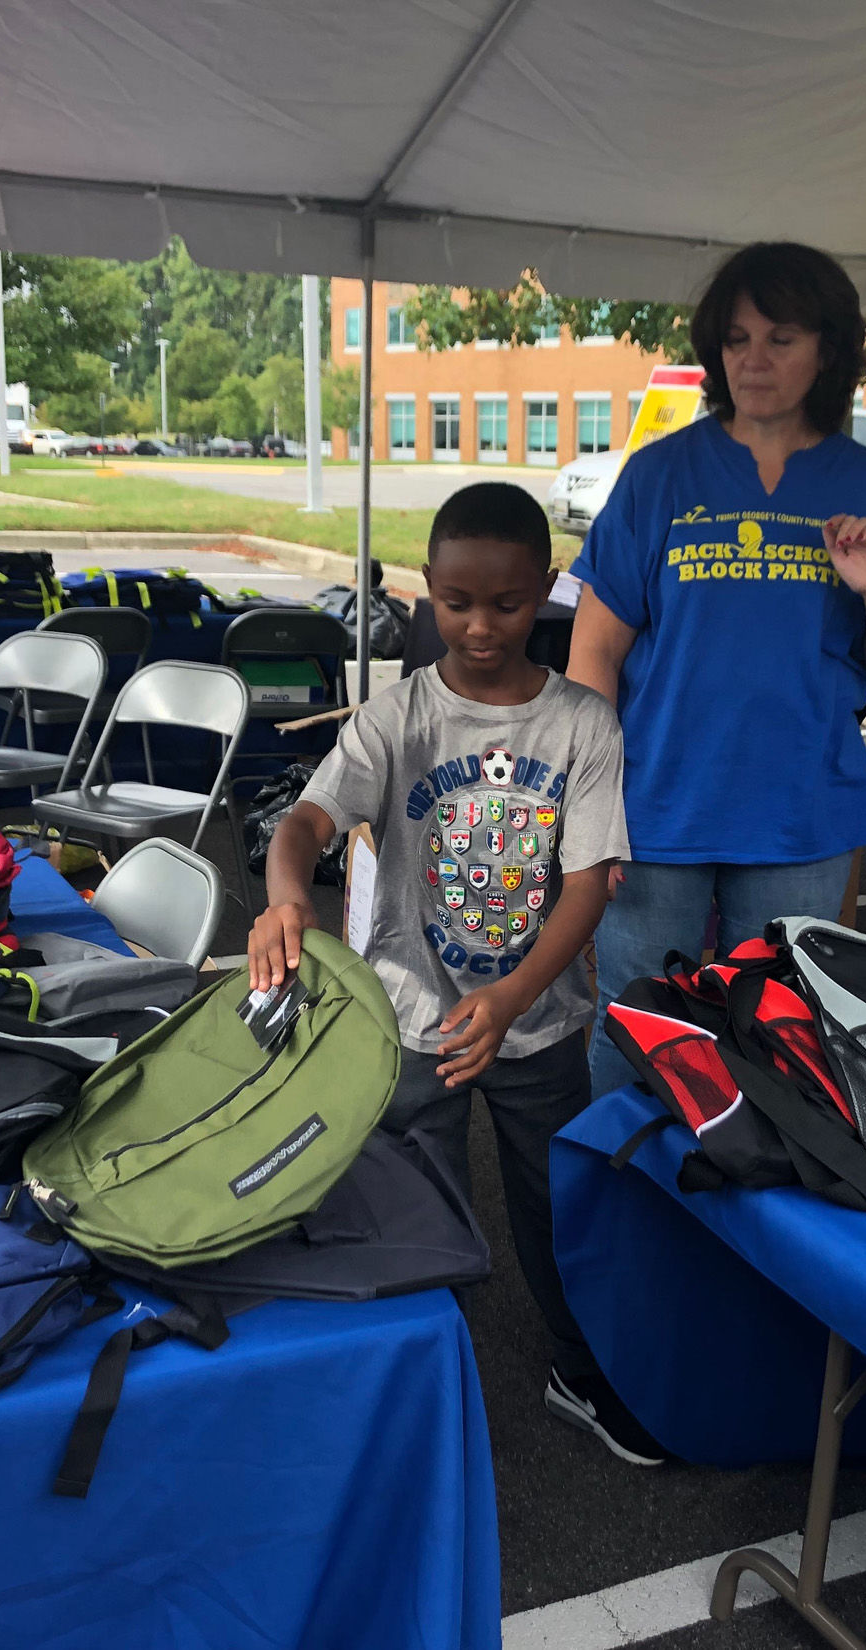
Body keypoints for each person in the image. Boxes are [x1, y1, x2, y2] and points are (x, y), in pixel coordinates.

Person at [248, 481, 662, 1465]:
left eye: (508, 604)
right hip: (409, 1027)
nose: (480, 627)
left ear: (548, 591)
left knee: (555, 1205)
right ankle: (416, 1388)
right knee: (410, 1211)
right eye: (458, 603)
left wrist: (515, 994)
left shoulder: (583, 728)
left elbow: (589, 885)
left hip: (541, 1026)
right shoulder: (395, 719)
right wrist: (283, 894)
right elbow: (305, 822)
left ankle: (579, 1367)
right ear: (427, 590)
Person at [566, 241, 866, 1097]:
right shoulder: (661, 476)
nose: (754, 360)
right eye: (737, 339)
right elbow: (593, 649)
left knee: (786, 1044)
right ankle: (624, 1216)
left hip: (800, 813)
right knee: (637, 1033)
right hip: (657, 806)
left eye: (781, 337)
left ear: (829, 351)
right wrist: (588, 805)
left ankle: (746, 1226)